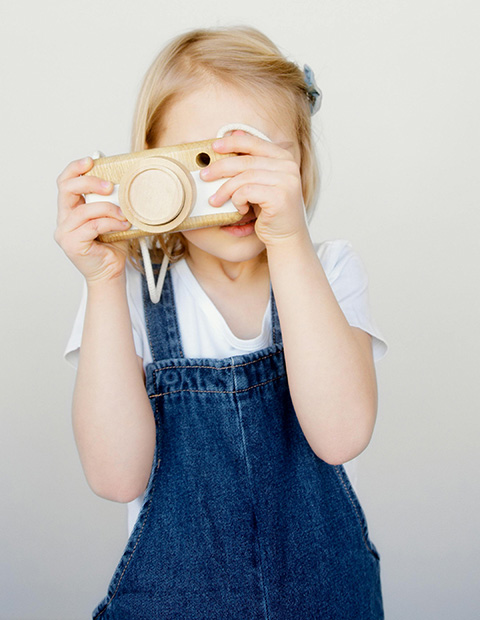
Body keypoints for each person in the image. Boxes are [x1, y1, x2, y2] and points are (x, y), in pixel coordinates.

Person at [56, 26, 387, 620]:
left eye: (255, 159)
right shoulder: (127, 290)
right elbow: (115, 476)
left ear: (299, 163)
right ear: (148, 170)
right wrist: (102, 280)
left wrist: (287, 239)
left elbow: (340, 436)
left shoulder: (329, 271)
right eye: (201, 161)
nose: (230, 189)